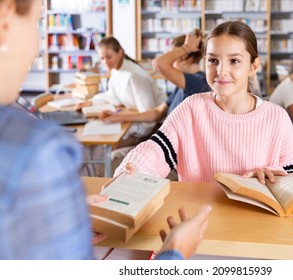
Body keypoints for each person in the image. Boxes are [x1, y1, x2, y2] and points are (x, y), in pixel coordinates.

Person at [0, 0, 210, 260]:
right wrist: (174, 254)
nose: (35, 47)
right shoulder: (37, 152)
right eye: (36, 22)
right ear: (6, 16)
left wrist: (66, 218)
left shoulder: (194, 83)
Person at [115, 21, 293, 184]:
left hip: (256, 223)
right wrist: (132, 169)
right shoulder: (191, 108)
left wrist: (273, 179)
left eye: (234, 61)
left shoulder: (277, 118)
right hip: (199, 220)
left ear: (253, 67)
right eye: (213, 60)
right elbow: (155, 152)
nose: (221, 71)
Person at [99, 30, 210, 174]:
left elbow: (159, 63)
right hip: (159, 149)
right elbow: (157, 113)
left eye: (172, 55)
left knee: (111, 162)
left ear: (185, 57)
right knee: (112, 158)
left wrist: (186, 47)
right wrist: (117, 117)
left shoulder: (198, 82)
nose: (169, 60)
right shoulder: (182, 85)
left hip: (172, 161)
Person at [75, 36, 167, 146]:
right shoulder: (116, 69)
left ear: (120, 53)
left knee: (108, 145)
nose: (106, 62)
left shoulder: (134, 76)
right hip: (136, 118)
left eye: (109, 57)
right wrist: (91, 102)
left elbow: (150, 120)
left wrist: (127, 130)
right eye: (102, 58)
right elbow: (114, 95)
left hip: (154, 128)